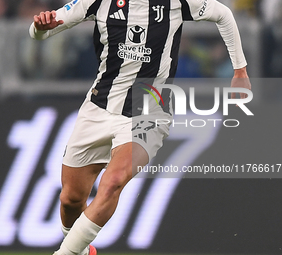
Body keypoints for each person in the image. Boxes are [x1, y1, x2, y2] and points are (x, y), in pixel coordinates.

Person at [29, 0, 251, 254]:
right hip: (98, 108)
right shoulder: (98, 2)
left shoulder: (176, 2)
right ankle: (83, 250)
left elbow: (223, 14)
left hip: (147, 113)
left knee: (112, 182)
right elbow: (40, 32)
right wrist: (38, 27)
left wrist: (240, 69)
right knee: (70, 199)